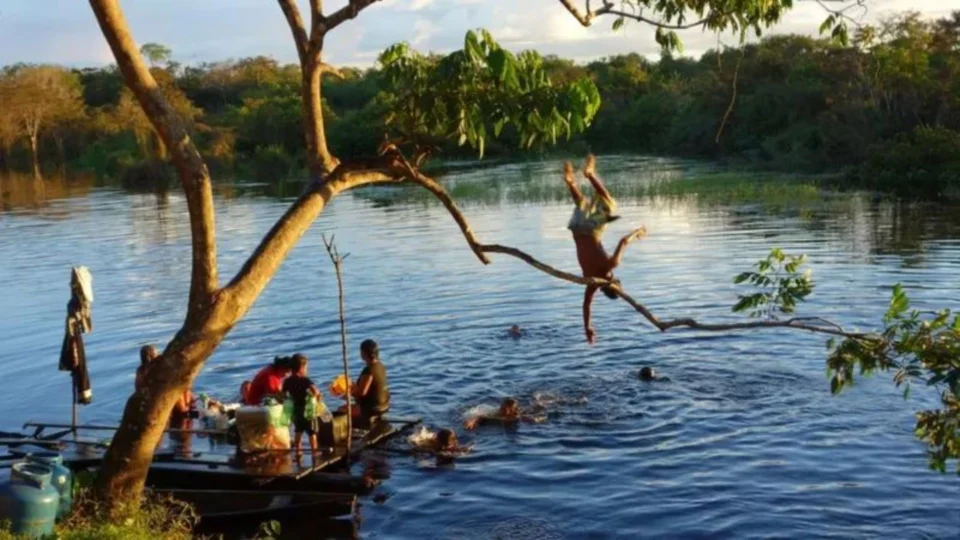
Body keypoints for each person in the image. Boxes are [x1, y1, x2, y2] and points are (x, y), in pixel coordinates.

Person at [564, 155, 646, 344]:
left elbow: (624, 241)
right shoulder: (592, 284)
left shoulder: (611, 264)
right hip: (576, 231)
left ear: (615, 281)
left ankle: (590, 174)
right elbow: (586, 306)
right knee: (582, 205)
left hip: (589, 230)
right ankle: (571, 183)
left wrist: (638, 232)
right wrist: (587, 328)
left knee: (609, 204)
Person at [282, 353, 322, 458]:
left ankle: (298, 451)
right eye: (306, 367)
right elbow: (314, 390)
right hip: (308, 410)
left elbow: (283, 394)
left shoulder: (287, 381)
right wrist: (317, 395)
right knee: (312, 432)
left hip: (296, 409)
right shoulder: (305, 380)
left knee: (298, 431)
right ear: (301, 367)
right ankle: (314, 452)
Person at [346, 339, 390, 426]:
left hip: (374, 409)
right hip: (385, 405)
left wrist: (350, 390)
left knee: (342, 410)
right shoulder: (381, 366)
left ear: (363, 354)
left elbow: (362, 393)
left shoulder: (369, 370)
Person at [463, 397, 544, 430]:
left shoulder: (516, 416)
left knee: (537, 406)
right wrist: (472, 421)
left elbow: (531, 419)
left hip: (522, 414)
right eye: (502, 408)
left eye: (506, 409)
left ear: (513, 411)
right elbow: (481, 416)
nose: (503, 410)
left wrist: (537, 420)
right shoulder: (496, 412)